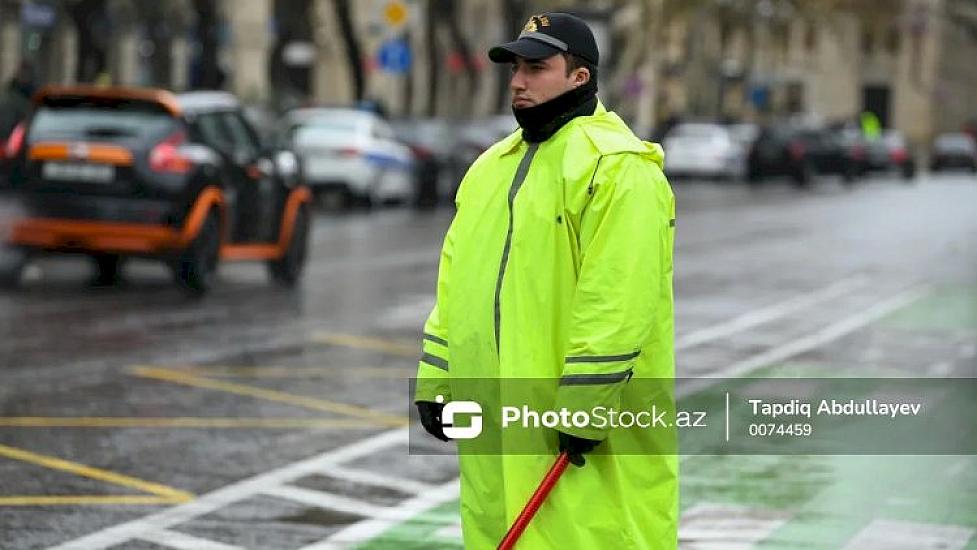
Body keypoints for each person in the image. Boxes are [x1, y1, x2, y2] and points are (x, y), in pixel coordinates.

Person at [414, 12, 677, 549]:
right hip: (496, 420)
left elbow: (619, 299)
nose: (518, 81)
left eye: (536, 67)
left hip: (577, 428)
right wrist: (436, 382)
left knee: (589, 535)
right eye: (515, 67)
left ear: (579, 78)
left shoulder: (617, 169)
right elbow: (456, 283)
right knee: (495, 530)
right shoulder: (491, 167)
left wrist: (584, 403)